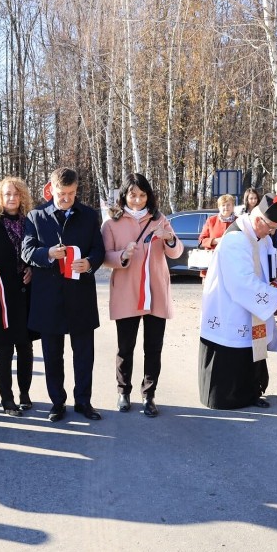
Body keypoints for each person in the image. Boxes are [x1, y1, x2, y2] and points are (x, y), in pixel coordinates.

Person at [22, 167, 105, 422]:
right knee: (52, 356)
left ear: (76, 189)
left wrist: (89, 263)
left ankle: (84, 402)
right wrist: (47, 254)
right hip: (48, 299)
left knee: (84, 355)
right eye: (61, 193)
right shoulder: (36, 216)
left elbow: (98, 250)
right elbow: (26, 251)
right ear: (52, 188)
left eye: (71, 193)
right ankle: (57, 403)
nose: (66, 198)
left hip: (80, 297)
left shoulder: (90, 216)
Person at [101, 175, 183, 417]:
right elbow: (105, 257)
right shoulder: (111, 224)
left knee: (153, 348)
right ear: (124, 195)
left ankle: (149, 394)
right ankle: (123, 391)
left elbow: (176, 252)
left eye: (142, 195)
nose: (137, 200)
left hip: (155, 292)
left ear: (149, 196)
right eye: (133, 195)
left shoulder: (159, 219)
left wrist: (169, 238)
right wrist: (122, 255)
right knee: (125, 347)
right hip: (127, 292)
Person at [198, 194, 277, 409]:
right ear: (259, 220)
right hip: (231, 306)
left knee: (252, 347)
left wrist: (275, 275)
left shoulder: (261, 236)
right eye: (270, 227)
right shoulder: (236, 239)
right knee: (234, 347)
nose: (272, 232)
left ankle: (250, 392)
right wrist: (276, 297)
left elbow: (266, 262)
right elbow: (242, 282)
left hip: (252, 307)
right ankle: (229, 397)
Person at [0, 177, 38, 417]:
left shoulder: (31, 223)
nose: (11, 198)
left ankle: (24, 394)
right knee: (5, 349)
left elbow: (38, 253)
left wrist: (33, 268)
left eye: (15, 194)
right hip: (2, 298)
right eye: (6, 194)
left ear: (22, 196)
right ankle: (8, 399)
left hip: (26, 295)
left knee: (25, 347)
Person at [198, 194, 236, 278]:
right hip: (213, 264)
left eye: (228, 205)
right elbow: (201, 240)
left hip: (233, 264)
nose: (226, 207)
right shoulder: (211, 220)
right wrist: (216, 241)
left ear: (233, 207)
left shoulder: (239, 221)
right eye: (223, 205)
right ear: (219, 207)